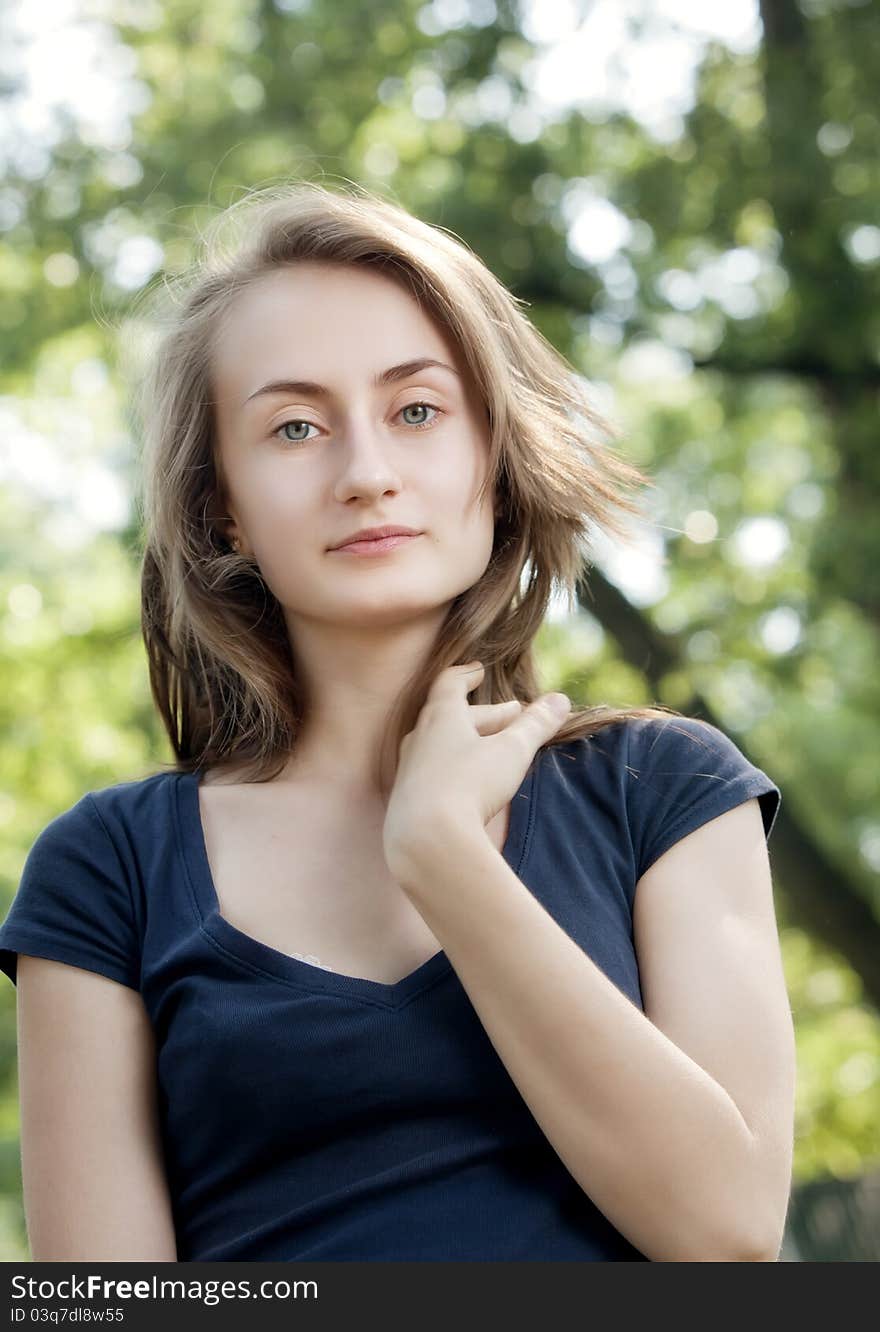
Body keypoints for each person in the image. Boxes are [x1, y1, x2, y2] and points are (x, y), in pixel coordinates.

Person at [0, 180, 795, 1262]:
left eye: (416, 410)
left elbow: (727, 1232)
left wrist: (444, 860)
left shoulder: (662, 788)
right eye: (293, 427)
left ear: (492, 457)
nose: (367, 474)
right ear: (222, 504)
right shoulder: (110, 868)